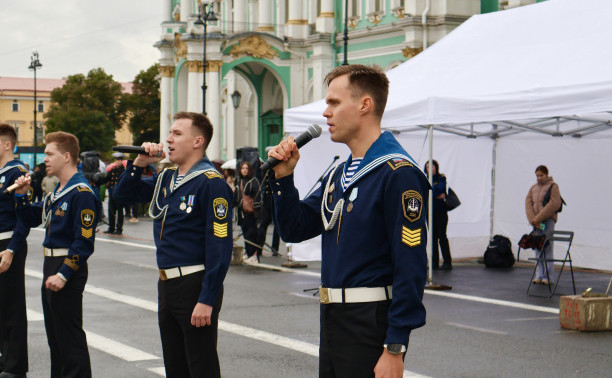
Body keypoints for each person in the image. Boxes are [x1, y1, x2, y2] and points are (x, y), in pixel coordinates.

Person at [267, 64, 429, 377]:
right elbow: (295, 228)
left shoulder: (397, 173)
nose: (326, 113)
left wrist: (395, 346)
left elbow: (411, 265)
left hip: (370, 321)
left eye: (334, 103)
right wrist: (284, 179)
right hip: (333, 318)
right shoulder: (340, 174)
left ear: (365, 104)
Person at [113, 111, 233, 378]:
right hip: (167, 283)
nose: (168, 139)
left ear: (197, 142)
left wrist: (207, 298)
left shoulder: (211, 184)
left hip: (194, 283)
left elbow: (220, 246)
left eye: (177, 134)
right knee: (175, 365)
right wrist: (140, 161)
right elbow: (121, 197)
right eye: (169, 133)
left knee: (200, 365)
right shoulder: (166, 179)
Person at [11, 131, 100, 378]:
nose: (45, 159)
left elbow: (83, 242)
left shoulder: (81, 193)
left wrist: (64, 273)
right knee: (56, 340)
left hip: (65, 267)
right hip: (50, 264)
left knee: (69, 339)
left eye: (50, 154)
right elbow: (31, 217)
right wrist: (22, 194)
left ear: (67, 156)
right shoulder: (58, 192)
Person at [0, 123, 31, 378]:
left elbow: (23, 218)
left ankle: (15, 366)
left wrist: (11, 249)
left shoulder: (17, 172)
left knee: (11, 306)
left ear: (7, 144)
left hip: (7, 242)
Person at [525, 165, 562, 285]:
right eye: (537, 176)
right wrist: (532, 220)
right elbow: (528, 203)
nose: (539, 178)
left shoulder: (553, 186)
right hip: (536, 223)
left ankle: (548, 276)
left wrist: (539, 218)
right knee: (537, 247)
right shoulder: (533, 188)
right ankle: (539, 275)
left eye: (541, 175)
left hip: (547, 221)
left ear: (547, 174)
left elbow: (554, 204)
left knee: (547, 247)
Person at [424, 160, 452, 270]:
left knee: (442, 236)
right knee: (433, 238)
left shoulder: (441, 178)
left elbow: (441, 190)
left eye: (432, 167)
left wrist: (431, 192)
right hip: (429, 213)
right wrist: (435, 194)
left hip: (441, 213)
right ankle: (434, 263)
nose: (430, 169)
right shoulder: (424, 179)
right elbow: (424, 191)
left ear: (436, 167)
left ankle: (447, 262)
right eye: (427, 167)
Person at [236, 161, 262, 263]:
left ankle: (255, 255)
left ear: (250, 170)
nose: (244, 170)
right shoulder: (240, 181)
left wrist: (256, 211)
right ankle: (249, 253)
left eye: (246, 168)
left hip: (251, 213)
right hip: (241, 213)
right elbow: (237, 198)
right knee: (246, 234)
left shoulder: (253, 181)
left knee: (252, 234)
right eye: (243, 168)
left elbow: (258, 196)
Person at [102, 152, 126, 235]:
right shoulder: (113, 169)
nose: (117, 161)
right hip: (112, 192)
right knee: (111, 211)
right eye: (116, 160)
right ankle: (111, 228)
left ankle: (119, 229)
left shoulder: (124, 170)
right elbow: (107, 178)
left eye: (119, 160)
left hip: (120, 193)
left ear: (121, 160)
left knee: (120, 212)